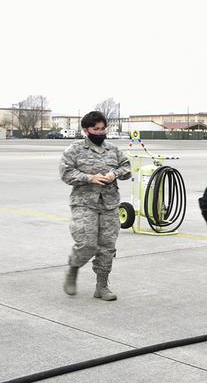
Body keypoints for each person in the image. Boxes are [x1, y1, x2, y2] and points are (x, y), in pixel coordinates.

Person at [59, 111, 131, 301]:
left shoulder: (113, 149)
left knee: (107, 247)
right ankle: (73, 268)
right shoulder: (75, 150)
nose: (100, 132)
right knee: (87, 243)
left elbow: (127, 167)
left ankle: (101, 286)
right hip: (84, 203)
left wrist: (115, 174)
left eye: (103, 128)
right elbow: (66, 173)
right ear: (86, 130)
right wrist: (89, 178)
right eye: (95, 129)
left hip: (109, 204)